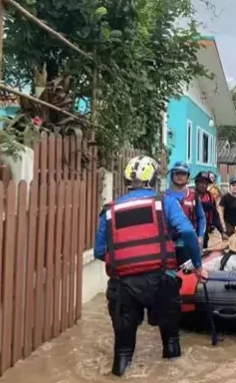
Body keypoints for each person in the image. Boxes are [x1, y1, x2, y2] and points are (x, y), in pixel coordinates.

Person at [94, 155, 208, 377]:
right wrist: (198, 266)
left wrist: (129, 262)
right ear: (155, 179)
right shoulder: (164, 202)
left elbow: (99, 251)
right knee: (172, 344)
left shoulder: (110, 210)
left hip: (123, 285)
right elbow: (186, 232)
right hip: (162, 280)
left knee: (123, 352)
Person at [164, 161, 206, 266]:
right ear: (172, 175)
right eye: (177, 173)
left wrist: (200, 236)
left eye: (183, 174)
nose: (180, 176)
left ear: (187, 177)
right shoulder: (163, 197)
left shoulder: (193, 195)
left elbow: (201, 217)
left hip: (189, 244)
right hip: (169, 245)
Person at [193, 171, 228, 249]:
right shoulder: (190, 196)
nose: (204, 185)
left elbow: (215, 215)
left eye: (206, 183)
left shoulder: (210, 197)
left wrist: (222, 231)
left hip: (204, 232)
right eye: (201, 182)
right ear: (196, 183)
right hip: (191, 231)